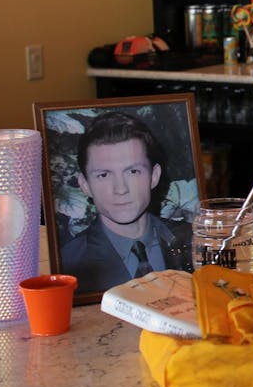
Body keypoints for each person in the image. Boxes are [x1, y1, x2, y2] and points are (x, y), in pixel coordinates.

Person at [61, 111, 190, 292]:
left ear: (154, 176)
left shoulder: (194, 240)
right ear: (85, 184)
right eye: (104, 175)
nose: (121, 189)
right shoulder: (69, 263)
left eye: (133, 172)